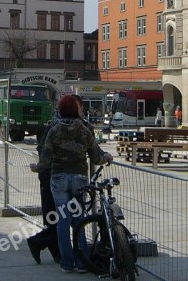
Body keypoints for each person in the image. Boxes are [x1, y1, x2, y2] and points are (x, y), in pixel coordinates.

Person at [34, 94, 112, 274]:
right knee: (79, 219)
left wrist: (36, 168)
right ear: (76, 109)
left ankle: (66, 263)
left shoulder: (54, 130)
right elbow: (95, 156)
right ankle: (82, 262)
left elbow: (45, 160)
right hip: (79, 178)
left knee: (62, 220)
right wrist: (106, 157)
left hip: (59, 178)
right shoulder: (85, 130)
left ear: (60, 109)